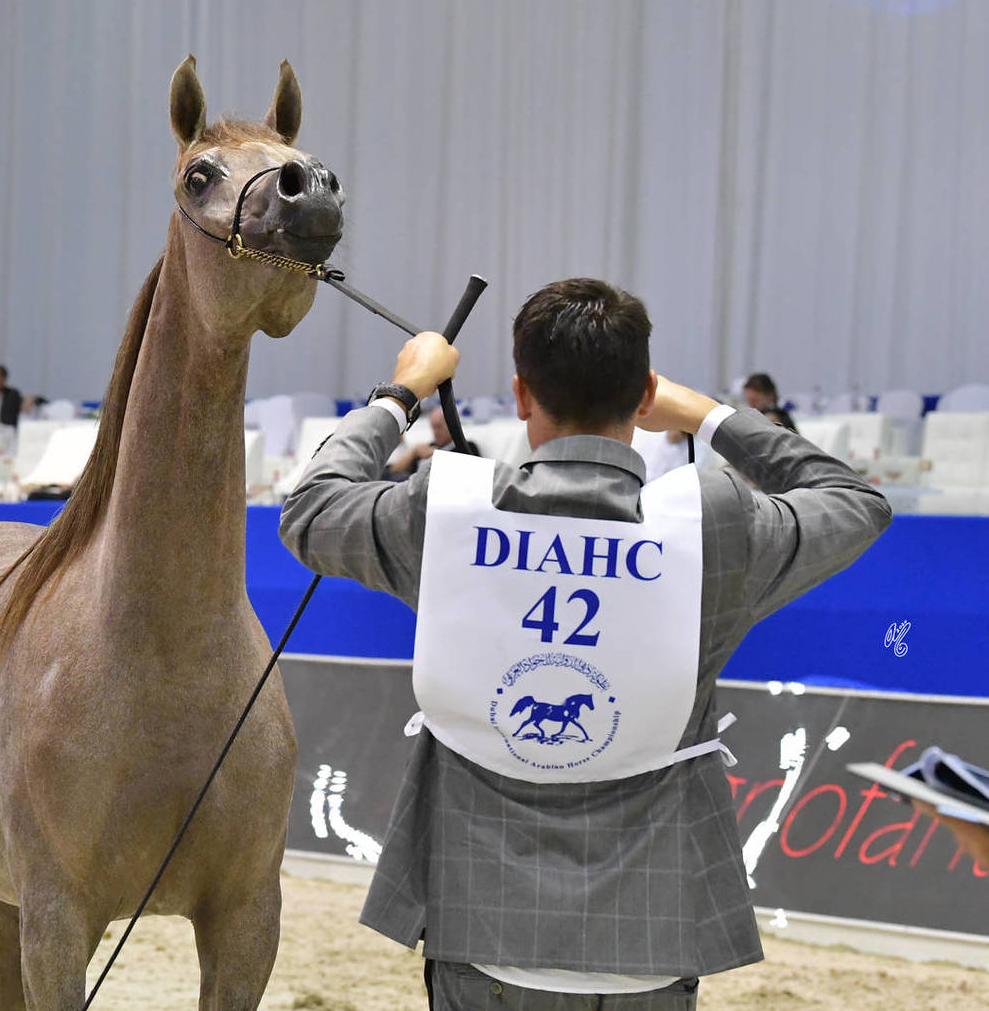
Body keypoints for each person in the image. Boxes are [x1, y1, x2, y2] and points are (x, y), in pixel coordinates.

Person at [280, 278, 893, 1010]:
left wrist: (402, 392)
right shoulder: (717, 529)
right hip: (652, 938)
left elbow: (310, 506)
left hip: (483, 932)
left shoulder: (442, 510)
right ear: (644, 398)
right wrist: (710, 414)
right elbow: (856, 501)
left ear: (519, 393)